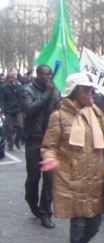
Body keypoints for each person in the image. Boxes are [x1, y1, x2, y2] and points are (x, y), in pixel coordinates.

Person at [40, 73, 104, 243]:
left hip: (95, 177)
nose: (90, 93)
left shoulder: (95, 112)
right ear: (75, 91)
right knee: (78, 224)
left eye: (90, 90)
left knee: (95, 225)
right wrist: (50, 159)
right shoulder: (59, 116)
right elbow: (49, 146)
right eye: (85, 90)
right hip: (72, 178)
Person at [20, 65, 61, 229]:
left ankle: (45, 213)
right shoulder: (27, 90)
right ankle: (31, 201)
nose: (49, 77)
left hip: (50, 141)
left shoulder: (54, 90)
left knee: (49, 180)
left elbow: (59, 109)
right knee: (33, 178)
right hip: (34, 140)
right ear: (38, 75)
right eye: (46, 75)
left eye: (50, 74)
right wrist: (47, 94)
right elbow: (29, 110)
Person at [0, 72, 24, 151]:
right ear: (7, 78)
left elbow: (21, 98)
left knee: (21, 126)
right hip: (8, 110)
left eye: (12, 78)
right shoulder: (3, 88)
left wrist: (22, 108)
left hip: (18, 109)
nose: (11, 79)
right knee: (9, 128)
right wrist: (2, 111)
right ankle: (10, 144)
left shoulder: (18, 87)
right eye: (10, 78)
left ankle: (17, 140)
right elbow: (2, 100)